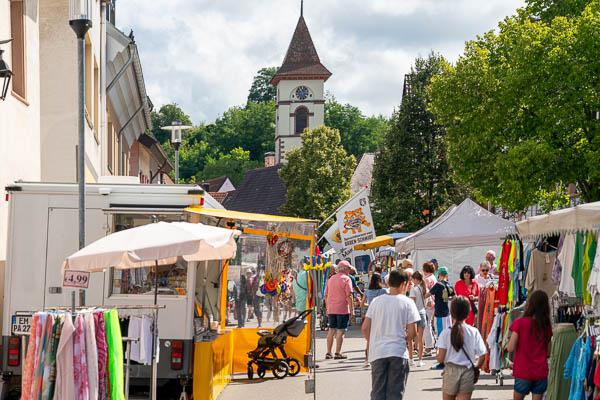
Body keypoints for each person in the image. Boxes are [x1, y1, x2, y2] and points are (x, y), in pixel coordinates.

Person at [362, 270, 420, 400]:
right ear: (403, 284)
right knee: (395, 393)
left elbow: (365, 327)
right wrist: (406, 339)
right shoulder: (407, 302)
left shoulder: (376, 301)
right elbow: (413, 331)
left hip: (378, 352)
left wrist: (372, 341)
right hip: (398, 351)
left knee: (377, 392)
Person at [437, 296, 487, 400]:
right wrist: (476, 367)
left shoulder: (445, 333)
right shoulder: (474, 332)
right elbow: (483, 354)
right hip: (467, 371)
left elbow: (440, 359)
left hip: (450, 371)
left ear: (451, 312)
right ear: (468, 312)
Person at [506, 290, 552, 400]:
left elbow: (510, 348)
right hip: (540, 371)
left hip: (523, 370)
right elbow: (548, 352)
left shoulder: (520, 323)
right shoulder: (546, 326)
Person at [325, 261, 354, 359]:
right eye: (348, 269)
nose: (349, 271)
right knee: (341, 331)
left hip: (331, 308)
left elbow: (326, 295)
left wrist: (327, 307)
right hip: (342, 309)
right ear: (345, 269)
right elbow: (349, 296)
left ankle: (328, 352)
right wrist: (352, 310)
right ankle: (338, 353)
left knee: (331, 330)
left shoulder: (331, 279)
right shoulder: (347, 279)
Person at [428, 267, 455, 370]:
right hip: (447, 314)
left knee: (441, 337)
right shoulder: (448, 284)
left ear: (439, 274)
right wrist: (446, 298)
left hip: (440, 314)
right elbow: (454, 297)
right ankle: (447, 360)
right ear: (446, 274)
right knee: (447, 337)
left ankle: (442, 362)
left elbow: (428, 294)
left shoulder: (438, 284)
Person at [362, 273, 388, 366]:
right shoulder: (384, 291)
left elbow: (362, 304)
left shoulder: (367, 291)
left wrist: (370, 305)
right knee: (382, 336)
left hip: (370, 315)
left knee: (370, 339)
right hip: (381, 315)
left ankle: (367, 359)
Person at [409, 271, 428, 367]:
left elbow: (412, 303)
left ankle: (411, 359)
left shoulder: (414, 289)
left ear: (416, 279)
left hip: (414, 314)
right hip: (423, 313)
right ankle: (420, 360)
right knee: (420, 339)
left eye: (412, 279)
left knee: (411, 338)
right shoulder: (424, 288)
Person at [422, 262, 438, 352]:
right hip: (434, 303)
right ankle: (431, 343)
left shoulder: (427, 279)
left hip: (428, 303)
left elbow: (425, 292)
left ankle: (429, 345)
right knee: (430, 324)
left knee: (427, 324)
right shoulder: (433, 278)